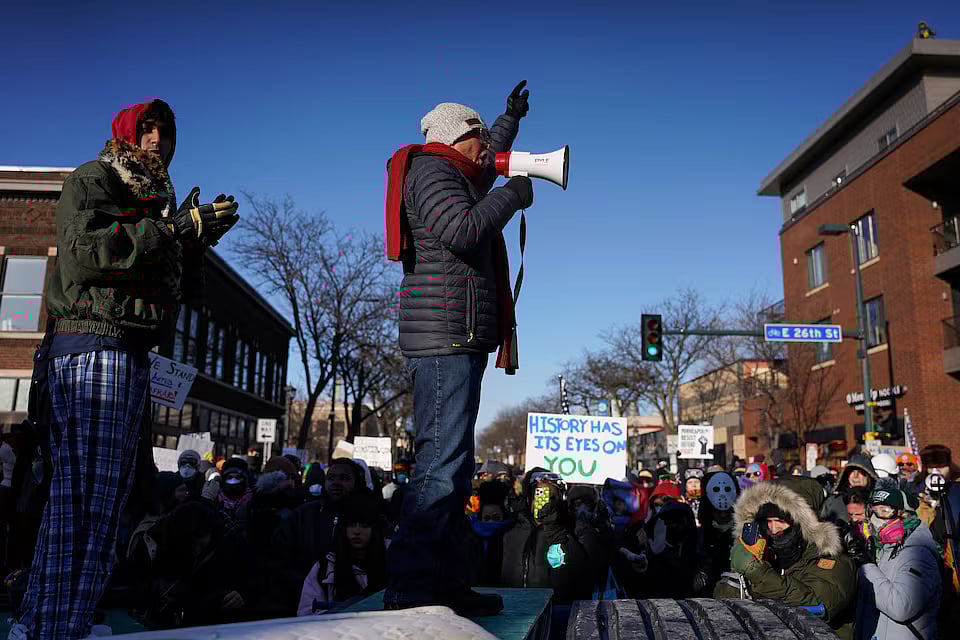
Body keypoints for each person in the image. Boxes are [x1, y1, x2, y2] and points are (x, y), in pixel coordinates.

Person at [11, 99, 238, 640]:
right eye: (147, 130)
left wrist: (192, 242)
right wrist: (175, 229)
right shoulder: (96, 178)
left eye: (166, 132)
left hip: (125, 351)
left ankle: (48, 621)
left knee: (94, 499)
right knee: (85, 501)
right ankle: (56, 627)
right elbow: (88, 253)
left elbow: (180, 296)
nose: (157, 140)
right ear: (126, 135)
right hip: (94, 347)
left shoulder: (152, 202)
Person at [382, 81, 534, 617]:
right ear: (458, 140)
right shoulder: (432, 172)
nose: (488, 155)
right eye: (481, 142)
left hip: (456, 335)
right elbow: (462, 230)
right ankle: (412, 585)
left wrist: (509, 118)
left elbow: (488, 156)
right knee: (439, 466)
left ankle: (445, 583)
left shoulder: (455, 170)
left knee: (455, 467)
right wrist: (512, 195)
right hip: (445, 337)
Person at [715, 476, 857, 638]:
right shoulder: (766, 555)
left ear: (804, 524)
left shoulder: (833, 559)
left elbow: (818, 606)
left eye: (781, 521)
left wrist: (757, 572)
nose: (773, 529)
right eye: (767, 521)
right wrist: (737, 576)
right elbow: (723, 608)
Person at [266, 458, 366, 614]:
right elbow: (278, 559)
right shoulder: (302, 516)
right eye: (331, 478)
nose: (336, 483)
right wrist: (309, 585)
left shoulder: (368, 519)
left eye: (344, 478)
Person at [498, 470, 598, 604]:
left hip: (557, 614)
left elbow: (583, 576)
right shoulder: (510, 531)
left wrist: (556, 531)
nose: (544, 503)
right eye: (539, 496)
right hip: (514, 614)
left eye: (550, 498)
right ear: (529, 498)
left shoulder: (574, 529)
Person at [855, 487, 941, 640]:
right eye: (871, 509)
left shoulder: (919, 554)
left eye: (884, 510)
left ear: (905, 515)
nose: (875, 517)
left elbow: (901, 606)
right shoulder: (882, 548)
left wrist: (866, 564)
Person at [298, 492, 388, 615]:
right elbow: (307, 612)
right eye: (351, 525)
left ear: (375, 529)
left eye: (364, 526)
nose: (357, 531)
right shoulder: (324, 568)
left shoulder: (393, 559)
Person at [694, 470, 741, 595]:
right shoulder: (699, 536)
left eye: (726, 513)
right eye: (717, 512)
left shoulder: (744, 534)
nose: (722, 515)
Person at [821, 454, 878, 525]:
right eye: (852, 471)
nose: (855, 476)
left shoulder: (878, 502)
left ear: (869, 476)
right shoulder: (832, 503)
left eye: (860, 472)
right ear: (846, 475)